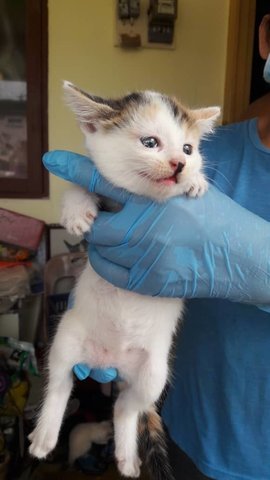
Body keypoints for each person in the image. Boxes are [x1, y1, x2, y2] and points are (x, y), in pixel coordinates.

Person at [43, 15, 270, 480]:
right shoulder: (211, 152)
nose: (179, 161)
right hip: (195, 430)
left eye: (186, 152)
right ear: (266, 36)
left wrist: (256, 261)